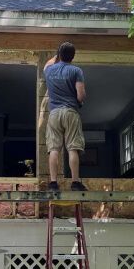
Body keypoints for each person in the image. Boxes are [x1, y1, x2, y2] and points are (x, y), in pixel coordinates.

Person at [44, 42, 88, 191]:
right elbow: (80, 95)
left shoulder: (49, 70)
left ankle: (53, 183)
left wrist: (58, 54)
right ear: (73, 57)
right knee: (72, 148)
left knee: (54, 148)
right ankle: (75, 182)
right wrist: (80, 100)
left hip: (54, 113)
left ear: (59, 55)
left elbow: (47, 63)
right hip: (70, 112)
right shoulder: (76, 70)